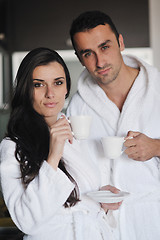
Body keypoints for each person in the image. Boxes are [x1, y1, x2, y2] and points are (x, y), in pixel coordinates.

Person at [0, 47, 122, 240]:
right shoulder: (13, 147)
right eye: (39, 85)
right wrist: (53, 155)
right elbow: (26, 221)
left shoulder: (75, 134)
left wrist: (100, 199)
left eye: (58, 83)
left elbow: (80, 201)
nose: (50, 93)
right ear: (26, 90)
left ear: (66, 88)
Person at [67, 10, 160, 240]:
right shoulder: (78, 108)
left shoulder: (157, 89)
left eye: (105, 47)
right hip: (106, 228)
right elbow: (74, 171)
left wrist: (156, 147)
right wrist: (94, 193)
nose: (100, 62)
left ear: (120, 42)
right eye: (88, 53)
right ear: (79, 58)